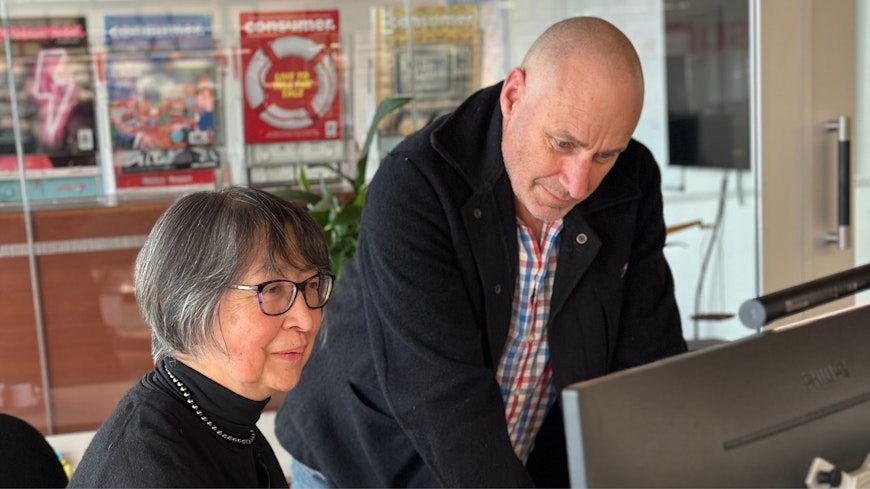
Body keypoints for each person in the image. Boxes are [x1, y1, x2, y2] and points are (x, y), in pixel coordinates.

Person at [275, 16, 687, 488]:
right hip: (361, 464)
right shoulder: (417, 184)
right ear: (513, 96)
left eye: (605, 155)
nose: (578, 183)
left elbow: (646, 362)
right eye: (563, 143)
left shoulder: (632, 180)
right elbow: (443, 400)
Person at [68, 186, 334, 488]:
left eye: (311, 285)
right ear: (188, 305)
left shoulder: (228, 425)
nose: (305, 320)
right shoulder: (150, 468)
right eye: (273, 289)